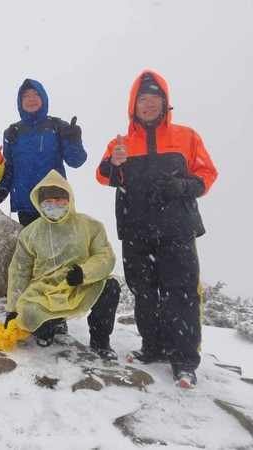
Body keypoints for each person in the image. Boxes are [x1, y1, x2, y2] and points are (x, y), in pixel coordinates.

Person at [96, 70, 218, 388]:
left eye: (154, 99)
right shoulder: (120, 142)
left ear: (165, 104)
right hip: (135, 229)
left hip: (177, 228)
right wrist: (115, 164)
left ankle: (184, 362)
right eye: (142, 100)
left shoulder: (186, 137)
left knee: (181, 294)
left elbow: (207, 173)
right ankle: (153, 348)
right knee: (144, 293)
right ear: (132, 106)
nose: (148, 105)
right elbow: (102, 174)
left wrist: (181, 185)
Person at [5, 169, 120, 360]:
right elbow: (19, 271)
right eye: (48, 202)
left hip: (79, 285)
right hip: (44, 291)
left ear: (69, 200)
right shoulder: (30, 233)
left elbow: (105, 257)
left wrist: (84, 273)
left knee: (111, 286)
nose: (54, 205)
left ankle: (101, 342)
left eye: (59, 201)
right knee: (28, 315)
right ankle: (52, 324)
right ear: (39, 204)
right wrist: (13, 310)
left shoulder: (90, 226)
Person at [0, 79, 87, 226]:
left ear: (43, 97)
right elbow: (9, 168)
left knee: (57, 247)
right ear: (20, 101)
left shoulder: (57, 126)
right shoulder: (12, 132)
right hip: (25, 203)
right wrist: (1, 193)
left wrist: (74, 140)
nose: (31, 99)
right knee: (31, 247)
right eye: (26, 96)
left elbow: (76, 161)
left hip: (55, 200)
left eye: (35, 94)